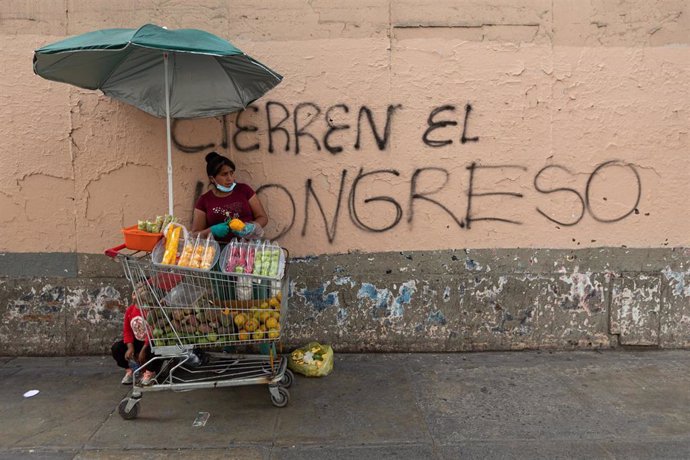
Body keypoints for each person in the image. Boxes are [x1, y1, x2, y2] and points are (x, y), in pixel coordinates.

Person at [192, 151, 269, 243]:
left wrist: (252, 227)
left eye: (231, 173)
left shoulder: (244, 190)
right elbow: (195, 235)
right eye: (224, 174)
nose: (230, 179)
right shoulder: (204, 200)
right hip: (219, 250)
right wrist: (211, 231)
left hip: (248, 248)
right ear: (212, 179)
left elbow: (262, 217)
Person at [111, 293, 160, 386]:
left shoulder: (151, 310)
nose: (135, 294)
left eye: (142, 290)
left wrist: (143, 350)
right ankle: (131, 371)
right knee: (116, 348)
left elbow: (152, 331)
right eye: (134, 292)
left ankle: (150, 373)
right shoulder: (130, 310)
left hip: (149, 342)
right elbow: (127, 330)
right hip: (137, 341)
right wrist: (130, 347)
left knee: (156, 348)